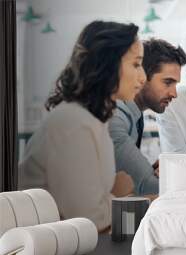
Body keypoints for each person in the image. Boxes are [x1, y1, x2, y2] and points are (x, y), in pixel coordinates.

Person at [18, 21, 146, 231]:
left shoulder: (94, 119)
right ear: (108, 63)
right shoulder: (73, 122)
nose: (143, 77)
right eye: (136, 64)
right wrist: (120, 194)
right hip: (33, 251)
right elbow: (90, 221)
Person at [109, 38, 186, 196]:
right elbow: (146, 186)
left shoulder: (134, 115)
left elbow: (128, 177)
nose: (174, 94)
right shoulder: (116, 117)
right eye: (168, 82)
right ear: (141, 76)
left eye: (176, 85)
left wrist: (149, 171)